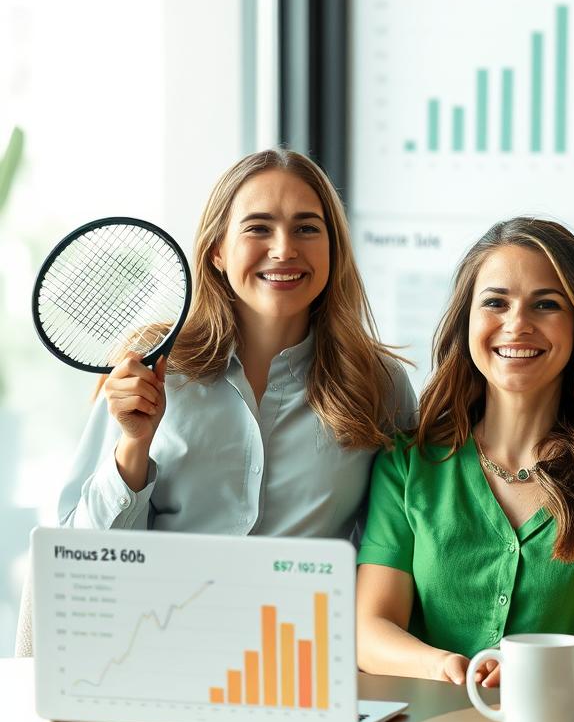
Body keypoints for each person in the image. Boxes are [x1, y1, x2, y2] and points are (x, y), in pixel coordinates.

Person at [356, 217, 574, 686]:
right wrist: (448, 668)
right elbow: (370, 630)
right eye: (496, 302)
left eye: (546, 304)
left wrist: (527, 669)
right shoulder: (408, 463)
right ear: (466, 323)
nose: (517, 324)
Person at [58, 148, 415, 538]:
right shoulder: (153, 366)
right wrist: (134, 444)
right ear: (217, 252)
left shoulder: (379, 384)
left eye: (307, 229)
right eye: (258, 228)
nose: (283, 250)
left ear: (333, 249)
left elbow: (395, 551)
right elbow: (79, 550)